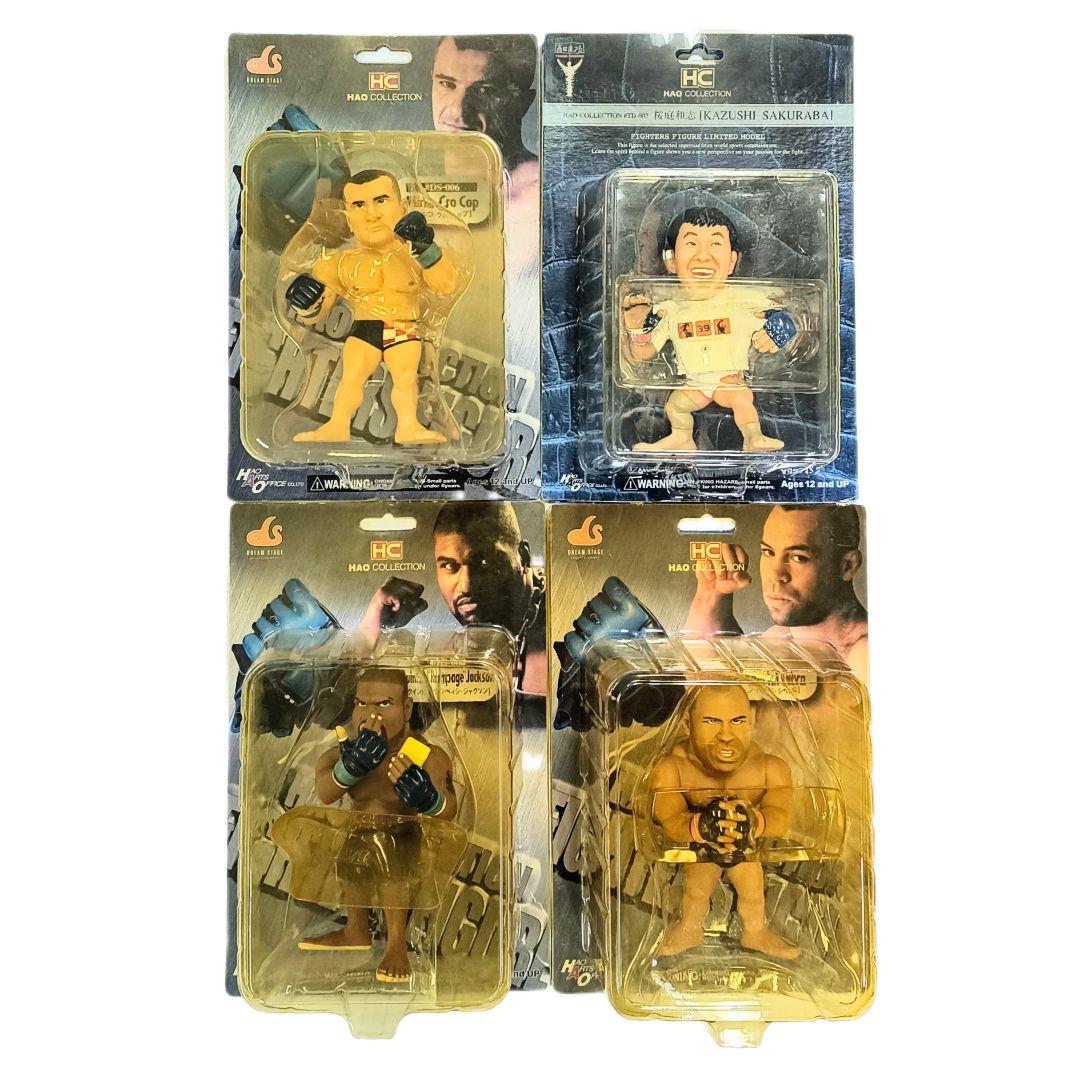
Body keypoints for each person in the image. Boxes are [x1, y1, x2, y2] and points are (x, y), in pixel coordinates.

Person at [275, 667, 458, 984]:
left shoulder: (422, 755)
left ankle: (396, 945)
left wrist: (429, 798)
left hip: (400, 839)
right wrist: (349, 768)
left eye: (384, 704)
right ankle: (355, 929)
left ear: (407, 707)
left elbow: (449, 810)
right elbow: (326, 793)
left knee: (393, 876)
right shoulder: (347, 750)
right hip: (357, 832)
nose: (370, 714)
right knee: (349, 870)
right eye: (361, 703)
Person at [285, 169, 458, 445]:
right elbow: (317, 312)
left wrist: (426, 247)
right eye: (358, 205)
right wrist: (304, 302)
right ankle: (337, 426)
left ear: (403, 207)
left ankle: (408, 427)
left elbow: (445, 285)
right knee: (351, 378)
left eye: (381, 200)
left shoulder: (415, 256)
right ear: (348, 218)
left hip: (403, 326)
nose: (371, 214)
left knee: (405, 379)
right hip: (364, 328)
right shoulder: (338, 263)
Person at [622, 205, 789, 453]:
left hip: (728, 382)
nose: (703, 256)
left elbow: (783, 316)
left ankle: (753, 436)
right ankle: (682, 438)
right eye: (691, 243)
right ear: (671, 260)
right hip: (694, 384)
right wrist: (634, 328)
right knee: (675, 407)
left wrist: (779, 331)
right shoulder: (669, 310)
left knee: (742, 398)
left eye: (715, 244)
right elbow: (643, 354)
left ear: (732, 261)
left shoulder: (744, 300)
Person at [650, 683, 798, 960]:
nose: (726, 735)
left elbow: (781, 818)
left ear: (751, 721)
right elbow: (669, 819)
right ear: (687, 724)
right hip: (702, 848)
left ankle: (755, 931)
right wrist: (701, 827)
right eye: (711, 722)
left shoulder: (770, 768)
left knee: (753, 892)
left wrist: (752, 823)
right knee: (695, 892)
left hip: (744, 848)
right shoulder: (672, 768)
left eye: (737, 721)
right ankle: (689, 928)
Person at [361, 503, 546, 698]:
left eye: (484, 563)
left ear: (523, 556)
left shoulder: (558, 615)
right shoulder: (452, 653)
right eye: (449, 566)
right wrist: (373, 627)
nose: (466, 586)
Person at [685, 506, 868, 683]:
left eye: (798, 557)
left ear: (847, 566)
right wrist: (710, 594)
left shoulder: (865, 659)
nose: (775, 574)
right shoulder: (780, 637)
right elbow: (709, 688)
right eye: (768, 552)